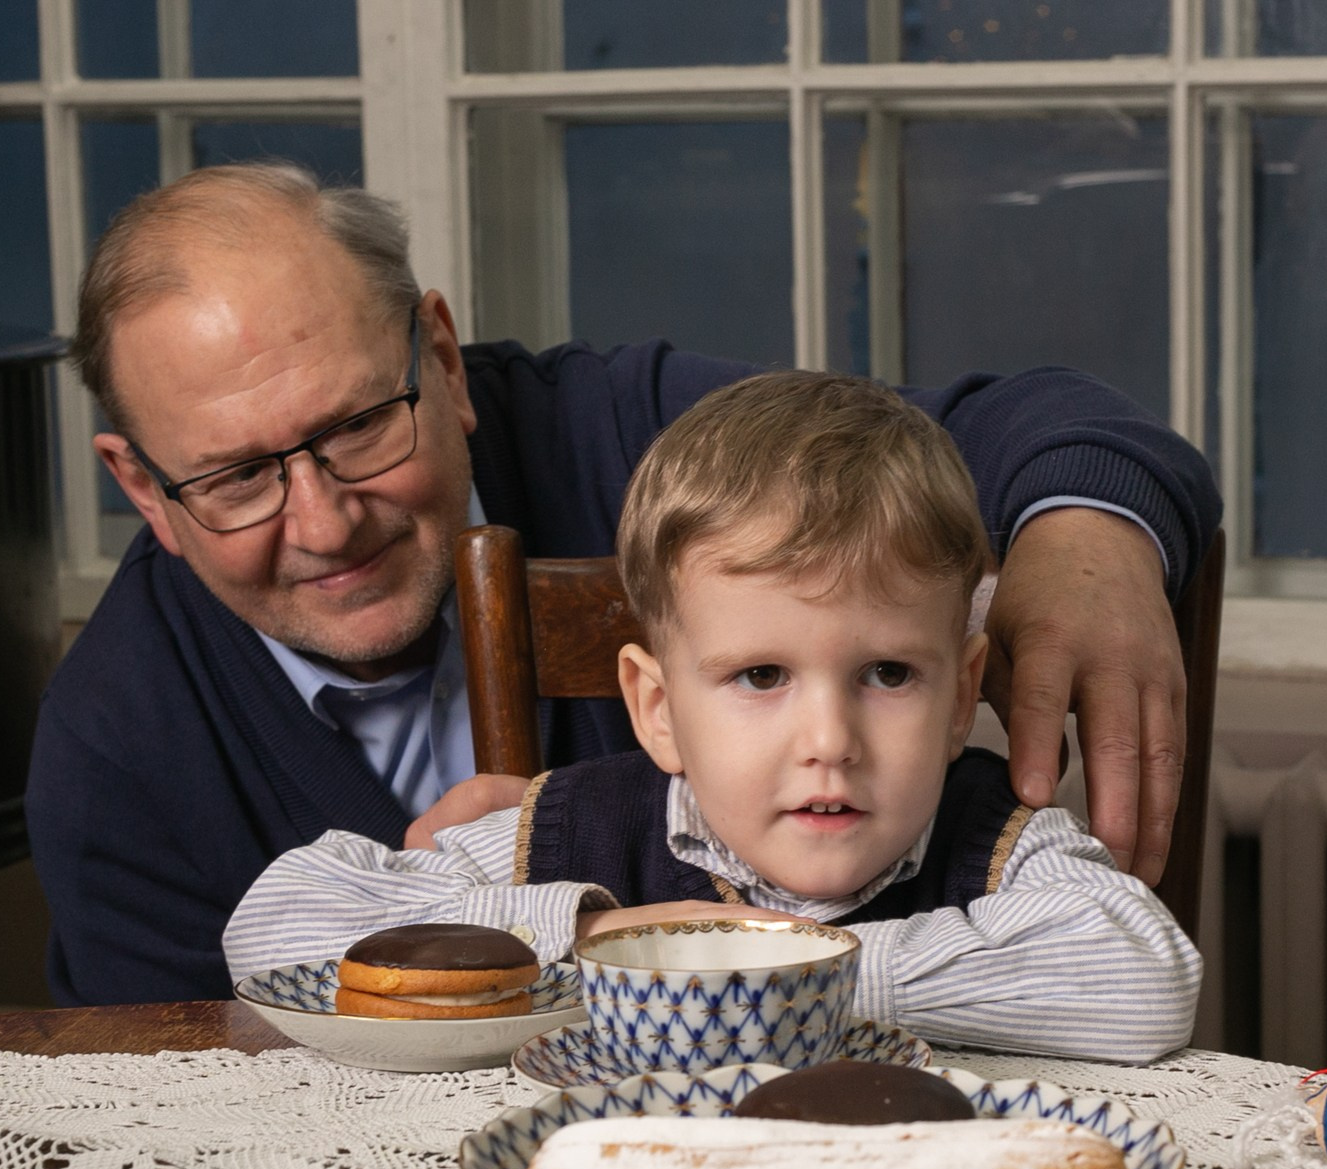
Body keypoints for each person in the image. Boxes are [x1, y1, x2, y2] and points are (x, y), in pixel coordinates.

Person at [28, 161, 1220, 1007]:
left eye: (356, 425)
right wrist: (592, 937)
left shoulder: (633, 436)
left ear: (439, 360)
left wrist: (1087, 530)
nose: (326, 518)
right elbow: (172, 1097)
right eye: (236, 475)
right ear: (141, 488)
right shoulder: (114, 740)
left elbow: (993, 427)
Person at [225, 371, 1201, 1060]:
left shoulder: (999, 847)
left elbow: (1146, 977)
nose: (828, 741)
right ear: (655, 707)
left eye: (889, 674)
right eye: (762, 675)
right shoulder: (571, 837)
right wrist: (614, 937)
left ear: (961, 695)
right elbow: (278, 923)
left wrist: (770, 969)